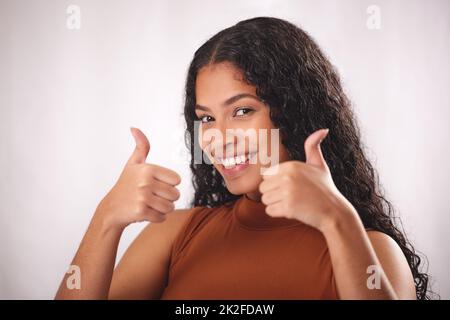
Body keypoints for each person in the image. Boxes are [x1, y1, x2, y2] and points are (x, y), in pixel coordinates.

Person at [55, 17, 430, 300]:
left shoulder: (367, 247)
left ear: (295, 113)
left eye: (242, 111)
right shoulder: (174, 234)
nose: (218, 139)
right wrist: (107, 219)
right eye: (206, 118)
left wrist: (338, 220)